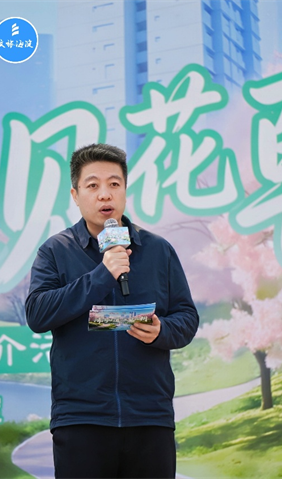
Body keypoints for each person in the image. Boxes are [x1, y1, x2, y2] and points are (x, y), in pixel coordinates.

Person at [26, 143, 199, 479]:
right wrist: (101, 275)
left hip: (149, 417)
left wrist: (162, 331)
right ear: (76, 195)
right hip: (82, 419)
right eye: (93, 185)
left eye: (114, 184)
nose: (105, 194)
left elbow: (187, 318)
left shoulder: (158, 250)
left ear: (124, 190)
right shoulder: (55, 251)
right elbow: (37, 313)